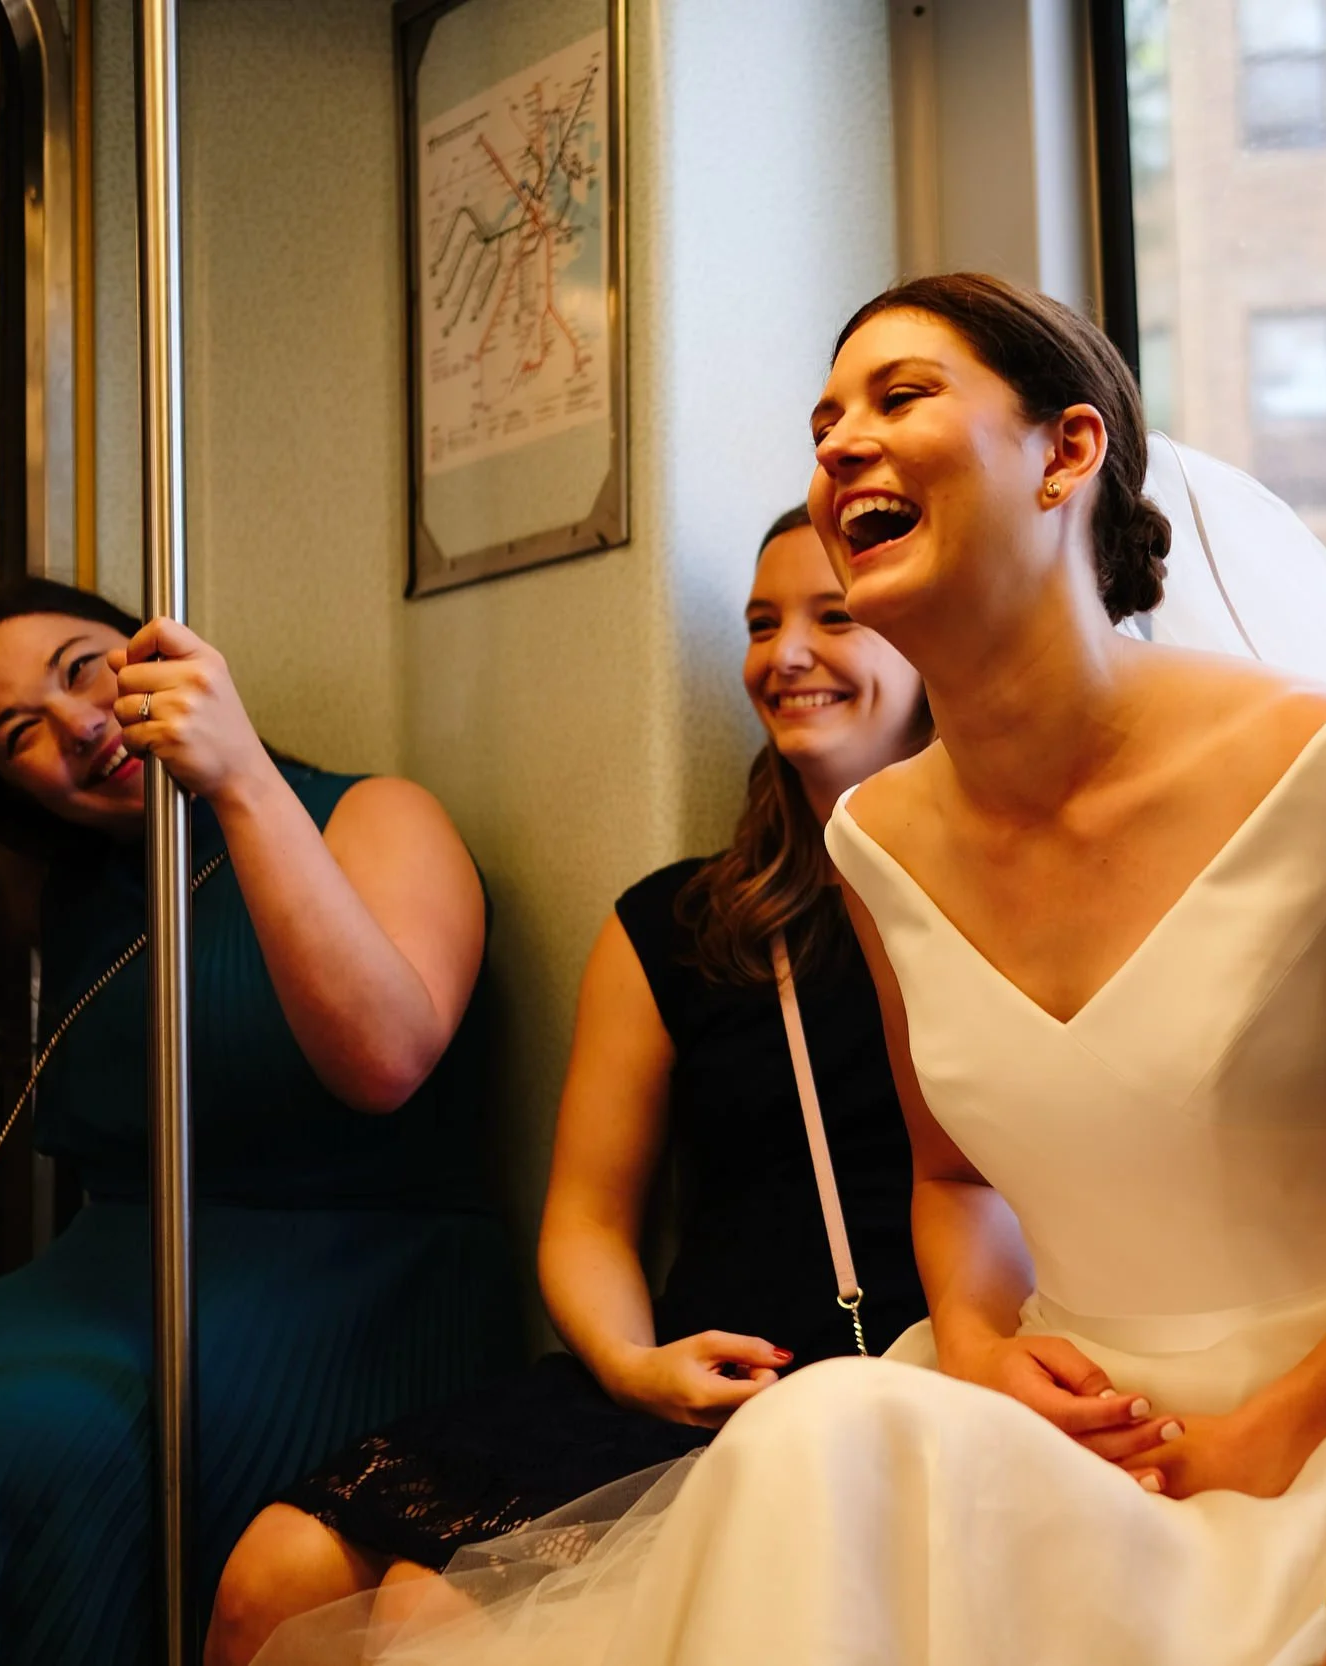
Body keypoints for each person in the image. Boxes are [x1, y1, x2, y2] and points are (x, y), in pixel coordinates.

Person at [305, 273, 1326, 1666]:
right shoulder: (878, 839)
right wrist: (977, 1347)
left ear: (1068, 454)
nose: (841, 443)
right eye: (824, 419)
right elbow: (955, 1177)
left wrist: (1297, 1414)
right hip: (1042, 1411)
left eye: (900, 397)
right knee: (823, 1429)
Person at [208, 507, 932, 1666]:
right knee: (273, 1574)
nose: (783, 653)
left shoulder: (1001, 897)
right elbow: (590, 1217)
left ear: (929, 639)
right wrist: (636, 1363)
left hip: (891, 1382)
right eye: (760, 623)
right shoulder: (678, 922)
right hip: (673, 1380)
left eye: (832, 616)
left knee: (431, 1616)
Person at [0, 577, 516, 1665]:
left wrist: (234, 776)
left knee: (22, 1441)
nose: (79, 726)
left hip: (357, 1281)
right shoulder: (63, 885)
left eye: (86, 667)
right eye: (20, 734)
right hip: (104, 1274)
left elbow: (385, 1060)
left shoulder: (370, 812)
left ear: (163, 649)